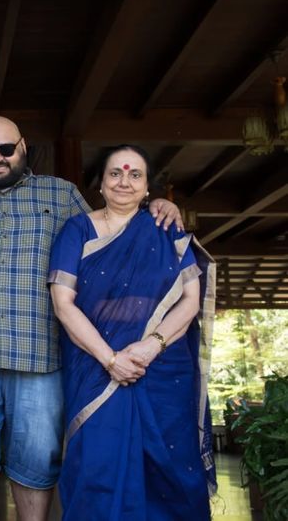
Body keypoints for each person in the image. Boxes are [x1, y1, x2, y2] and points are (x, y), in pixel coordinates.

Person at [0, 116, 183, 521]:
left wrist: (155, 204)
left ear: (23, 146)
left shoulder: (60, 192)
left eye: (5, 149)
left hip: (39, 358)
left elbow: (113, 234)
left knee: (38, 466)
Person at [48, 144, 214, 519]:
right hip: (95, 368)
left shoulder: (165, 229)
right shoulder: (77, 229)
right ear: (101, 184)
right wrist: (111, 359)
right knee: (97, 468)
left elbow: (190, 299)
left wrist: (151, 346)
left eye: (135, 174)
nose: (125, 181)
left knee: (169, 472)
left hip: (161, 372)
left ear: (147, 188)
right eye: (115, 173)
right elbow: (63, 303)